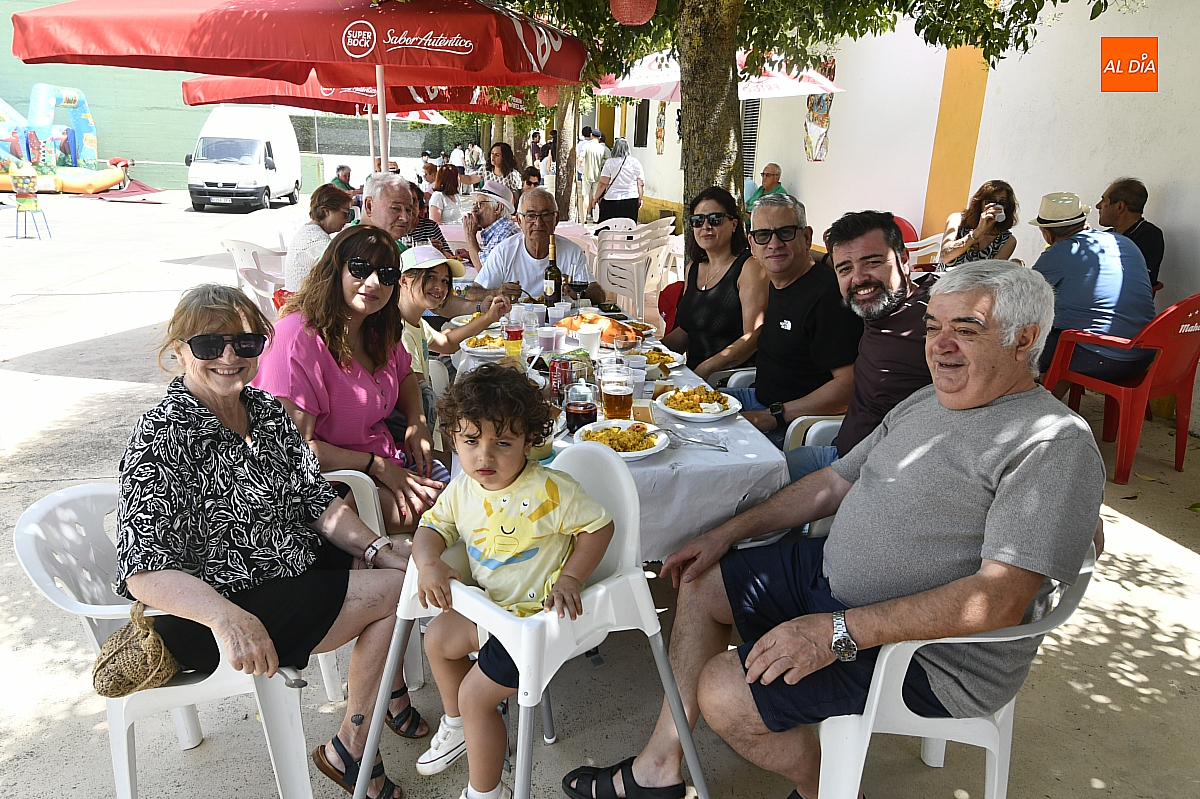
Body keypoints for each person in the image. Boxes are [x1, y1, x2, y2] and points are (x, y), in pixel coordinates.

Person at [563, 260, 1106, 799]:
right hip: (834, 582)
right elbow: (832, 483)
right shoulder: (929, 400)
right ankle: (658, 768)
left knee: (725, 693)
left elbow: (997, 602)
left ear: (1024, 340)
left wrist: (833, 632)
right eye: (934, 327)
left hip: (929, 656)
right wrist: (728, 532)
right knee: (703, 578)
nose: (939, 345)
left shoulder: (1052, 445)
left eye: (965, 329)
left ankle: (826, 788)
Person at [116, 284, 424, 799]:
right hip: (218, 606)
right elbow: (144, 570)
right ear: (179, 350)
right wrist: (227, 618)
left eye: (245, 342)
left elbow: (314, 502)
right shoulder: (163, 435)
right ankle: (355, 744)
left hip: (284, 571)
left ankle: (359, 730)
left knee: (403, 570)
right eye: (209, 345)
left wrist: (375, 547)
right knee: (397, 593)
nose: (229, 357)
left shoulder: (263, 410)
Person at [412, 364, 615, 798]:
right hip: (493, 609)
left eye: (502, 443)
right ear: (454, 438)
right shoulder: (462, 488)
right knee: (437, 640)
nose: (484, 457)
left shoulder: (551, 490)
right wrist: (429, 562)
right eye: (471, 442)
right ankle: (458, 727)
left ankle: (486, 792)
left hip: (534, 622)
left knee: (476, 696)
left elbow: (600, 527)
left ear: (528, 441)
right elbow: (432, 527)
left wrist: (573, 577)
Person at [255, 224, 451, 540]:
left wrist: (418, 422)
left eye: (386, 274)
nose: (373, 282)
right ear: (335, 269)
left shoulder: (375, 329)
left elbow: (405, 374)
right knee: (465, 507)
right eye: (360, 268)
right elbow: (294, 451)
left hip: (388, 460)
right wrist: (376, 466)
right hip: (334, 489)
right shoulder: (296, 341)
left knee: (490, 475)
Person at [786, 210, 936, 482]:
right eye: (845, 269)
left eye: (872, 262)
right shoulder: (878, 303)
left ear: (904, 261)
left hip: (871, 479)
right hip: (839, 449)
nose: (858, 278)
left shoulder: (938, 317)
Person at [724, 193, 863, 448]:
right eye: (763, 235)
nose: (774, 244)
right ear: (752, 244)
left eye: (786, 232)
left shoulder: (827, 297)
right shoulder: (775, 280)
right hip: (756, 397)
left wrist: (776, 415)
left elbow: (848, 386)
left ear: (807, 237)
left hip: (792, 425)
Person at [1030, 191, 1156, 390]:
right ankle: (1050, 401)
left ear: (1048, 233)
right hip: (1145, 356)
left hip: (1100, 358)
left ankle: (1029, 407)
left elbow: (1024, 299)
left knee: (1018, 345)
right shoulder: (1123, 242)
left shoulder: (1060, 251)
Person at [395, 245, 511, 459]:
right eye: (430, 277)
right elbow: (420, 396)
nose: (439, 287)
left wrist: (488, 318)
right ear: (403, 280)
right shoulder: (399, 331)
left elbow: (446, 342)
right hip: (415, 445)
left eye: (444, 281)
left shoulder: (415, 321)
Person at [662, 187, 768, 378]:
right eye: (698, 221)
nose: (706, 226)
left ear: (734, 224)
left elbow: (753, 338)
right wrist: (648, 350)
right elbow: (688, 330)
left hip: (727, 380)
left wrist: (705, 370)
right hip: (691, 376)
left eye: (715, 219)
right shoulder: (693, 268)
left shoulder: (749, 267)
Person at [468, 187, 602, 305]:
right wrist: (497, 292)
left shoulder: (572, 251)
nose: (538, 223)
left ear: (556, 219)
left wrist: (577, 292)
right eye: (531, 216)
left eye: (545, 215)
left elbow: (599, 294)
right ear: (520, 221)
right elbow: (472, 293)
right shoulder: (504, 252)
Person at [285, 184, 353, 292]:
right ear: (326, 211)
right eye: (345, 214)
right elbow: (336, 280)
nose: (348, 219)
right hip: (304, 304)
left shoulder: (308, 230)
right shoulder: (318, 242)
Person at [1097, 177, 1165, 285]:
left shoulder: (1149, 236)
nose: (1098, 206)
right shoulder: (1104, 236)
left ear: (1119, 207)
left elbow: (1131, 280)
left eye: (1104, 201)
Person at [939, 180, 1019, 268]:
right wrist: (977, 232)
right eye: (991, 201)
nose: (996, 206)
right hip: (944, 279)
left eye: (1002, 202)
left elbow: (991, 273)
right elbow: (945, 257)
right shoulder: (957, 220)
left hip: (976, 281)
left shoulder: (1007, 240)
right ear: (980, 202)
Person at [459, 180, 520, 272]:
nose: (474, 209)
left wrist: (469, 235)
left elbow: (485, 273)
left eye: (480, 204)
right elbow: (487, 260)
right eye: (475, 204)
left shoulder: (505, 232)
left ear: (498, 208)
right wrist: (471, 255)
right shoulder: (499, 229)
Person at [590, 138, 644, 223]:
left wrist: (595, 198)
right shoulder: (635, 162)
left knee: (609, 228)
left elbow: (603, 183)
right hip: (631, 198)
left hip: (612, 199)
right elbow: (640, 183)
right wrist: (640, 198)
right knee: (628, 227)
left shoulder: (609, 163)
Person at [579, 128, 610, 222]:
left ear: (591, 135)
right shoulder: (602, 148)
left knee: (586, 196)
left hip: (586, 174)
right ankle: (594, 217)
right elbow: (607, 161)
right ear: (600, 138)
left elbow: (580, 159)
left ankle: (584, 217)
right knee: (595, 197)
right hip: (598, 175)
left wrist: (579, 166)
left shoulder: (586, 146)